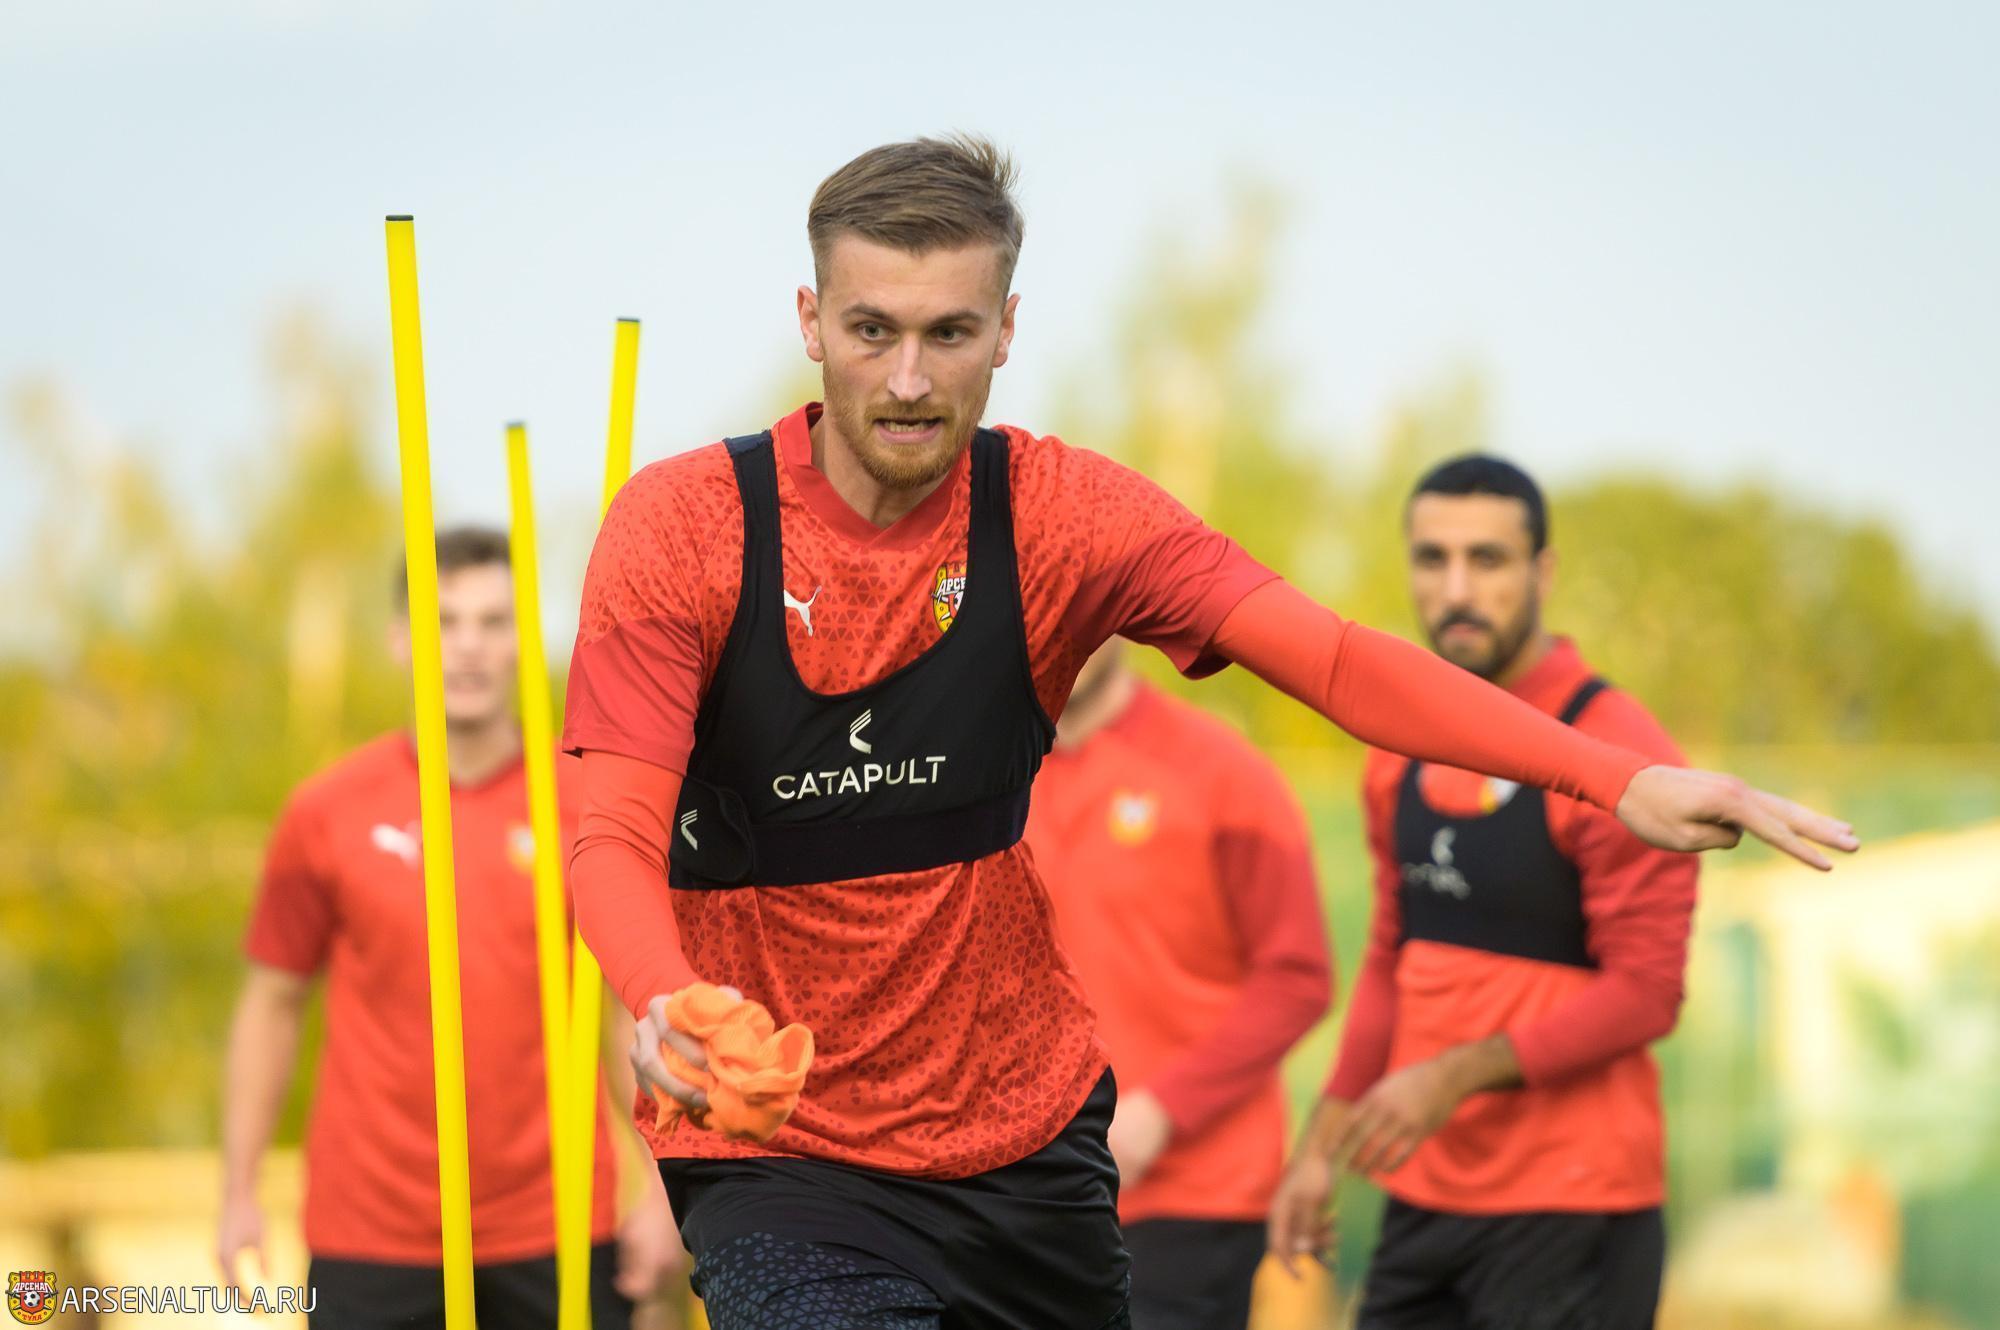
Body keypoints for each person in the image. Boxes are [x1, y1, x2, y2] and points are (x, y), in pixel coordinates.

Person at [561, 136, 1854, 1329]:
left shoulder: (1069, 516)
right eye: (870, 330)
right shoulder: (685, 529)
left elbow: (1335, 660)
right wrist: (666, 994)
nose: (908, 379)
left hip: (1021, 1142)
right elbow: (609, 827)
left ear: (1005, 329)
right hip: (778, 1151)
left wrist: (1613, 778)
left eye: (948, 332)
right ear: (809, 321)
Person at [1267, 457, 1698, 1328]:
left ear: (1543, 572)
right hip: (1425, 1194)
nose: (1457, 589)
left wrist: (1455, 1075)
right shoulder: (1398, 741)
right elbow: (1391, 958)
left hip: (1572, 1207)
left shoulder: (1624, 754)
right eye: (1433, 559)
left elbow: (1646, 993)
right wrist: (1319, 1147)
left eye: (1487, 560)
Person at [219, 527, 684, 1330]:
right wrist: (237, 1192)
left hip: (557, 1222)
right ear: (400, 639)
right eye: (446, 621)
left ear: (523, 639)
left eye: (493, 622)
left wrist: (664, 1187)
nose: (469, 646)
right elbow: (272, 1005)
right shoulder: (325, 812)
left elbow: (623, 1014)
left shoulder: (585, 804)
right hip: (370, 1232)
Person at [1026, 640, 1331, 1330]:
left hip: (1190, 1197)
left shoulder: (1226, 775)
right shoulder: (981, 773)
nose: (1067, 628)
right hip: (1023, 1194)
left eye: (1087, 603)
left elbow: (1297, 978)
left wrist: (1160, 1114)